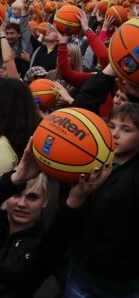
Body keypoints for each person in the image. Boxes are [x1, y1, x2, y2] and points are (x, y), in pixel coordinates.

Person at [0, 139, 111, 298]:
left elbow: (61, 231)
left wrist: (76, 198)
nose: (22, 204)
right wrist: (17, 178)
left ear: (45, 200)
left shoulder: (43, 245)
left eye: (32, 197)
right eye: (16, 195)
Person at [64, 103, 139, 297]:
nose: (115, 134)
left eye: (126, 129)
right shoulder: (91, 162)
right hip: (82, 270)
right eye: (111, 126)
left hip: (123, 280)